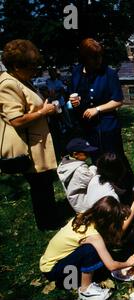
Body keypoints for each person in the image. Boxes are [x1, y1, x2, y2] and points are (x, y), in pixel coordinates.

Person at [0, 39, 61, 231]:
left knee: (44, 183)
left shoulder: (20, 79)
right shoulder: (7, 84)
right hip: (29, 145)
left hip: (37, 141)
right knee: (40, 186)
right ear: (17, 66)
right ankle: (47, 223)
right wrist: (44, 112)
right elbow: (16, 119)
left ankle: (50, 217)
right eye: (32, 66)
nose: (35, 70)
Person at [40, 195, 134, 300]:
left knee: (94, 248)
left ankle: (81, 276)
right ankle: (85, 290)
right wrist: (128, 263)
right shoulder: (94, 237)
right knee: (91, 249)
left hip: (50, 262)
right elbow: (111, 266)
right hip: (52, 269)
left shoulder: (84, 216)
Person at [69, 38, 129, 172]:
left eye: (100, 56)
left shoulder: (109, 74)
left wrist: (98, 109)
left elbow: (118, 100)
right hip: (87, 126)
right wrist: (74, 102)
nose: (98, 60)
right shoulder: (76, 73)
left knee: (114, 157)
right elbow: (73, 95)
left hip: (107, 126)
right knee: (96, 158)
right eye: (93, 57)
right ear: (85, 57)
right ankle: (102, 187)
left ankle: (123, 186)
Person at [57, 138, 98, 213]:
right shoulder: (79, 170)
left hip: (77, 203)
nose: (88, 154)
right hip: (87, 205)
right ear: (75, 154)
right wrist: (93, 167)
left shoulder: (64, 166)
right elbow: (92, 179)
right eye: (85, 152)